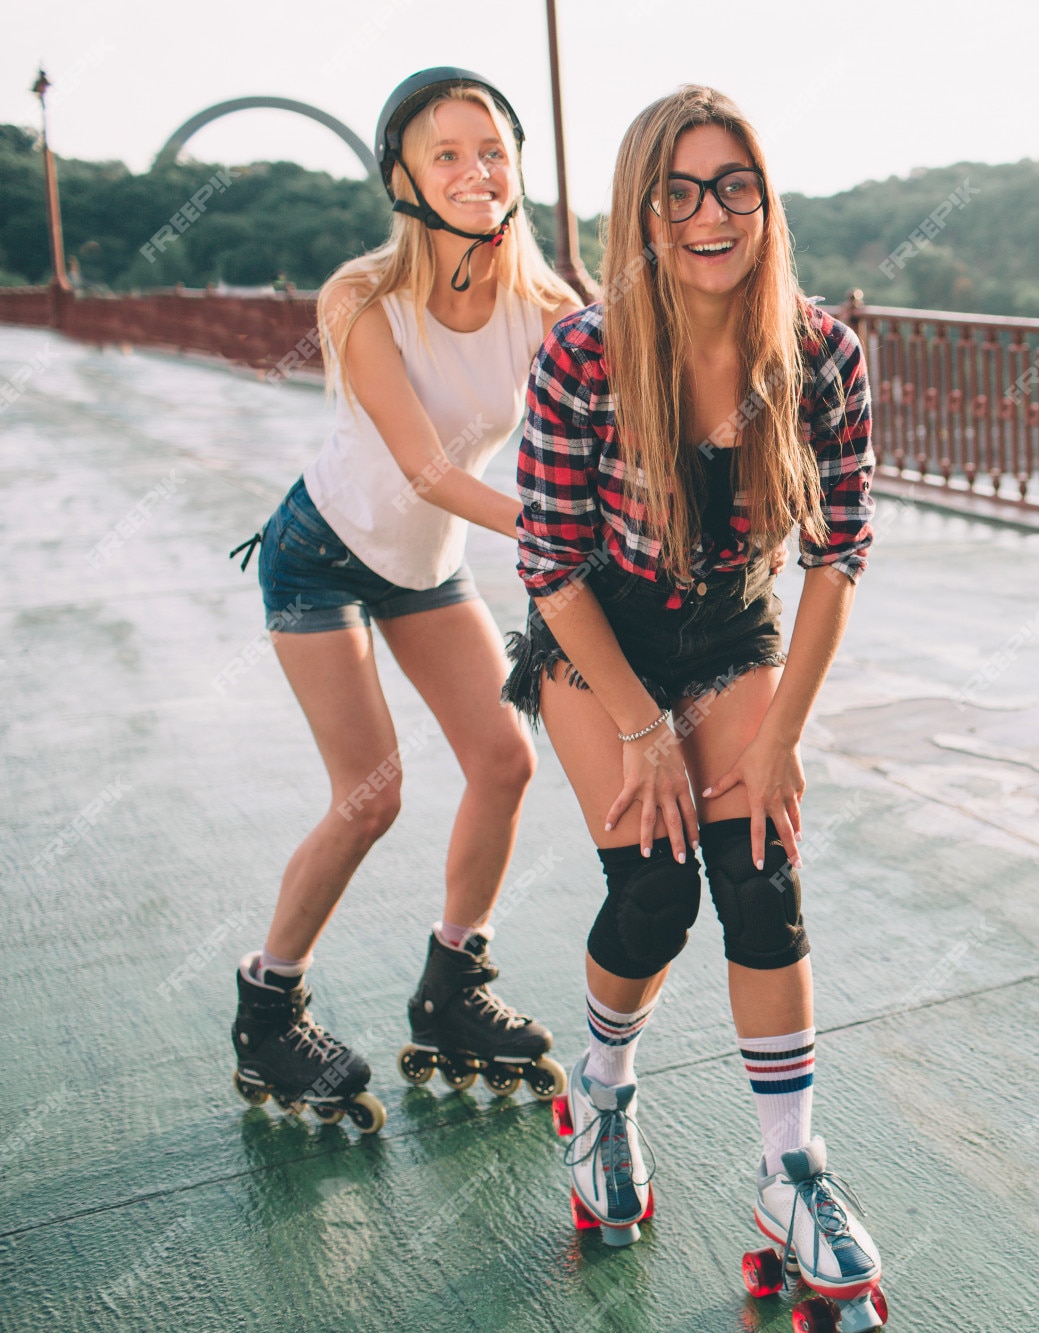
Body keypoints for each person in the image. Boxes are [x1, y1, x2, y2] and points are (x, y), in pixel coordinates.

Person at [504, 86, 885, 1317]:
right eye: (677, 191)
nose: (708, 214)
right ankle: (601, 1093)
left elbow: (835, 556)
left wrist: (777, 740)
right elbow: (549, 563)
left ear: (765, 203)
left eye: (732, 185)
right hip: (597, 633)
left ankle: (790, 1175)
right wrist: (637, 726)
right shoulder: (584, 354)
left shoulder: (820, 352)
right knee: (658, 888)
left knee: (762, 876)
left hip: (729, 630)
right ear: (641, 212)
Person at [224, 68, 580, 1132]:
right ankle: (268, 1002)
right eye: (447, 154)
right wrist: (568, 532)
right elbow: (424, 470)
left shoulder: (550, 308)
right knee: (370, 793)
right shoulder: (360, 297)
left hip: (424, 568)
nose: (477, 171)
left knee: (504, 757)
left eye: (492, 151)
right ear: (403, 177)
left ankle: (451, 989)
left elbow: (635, 380)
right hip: (321, 552)